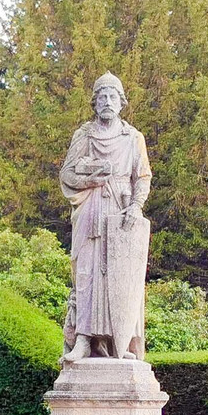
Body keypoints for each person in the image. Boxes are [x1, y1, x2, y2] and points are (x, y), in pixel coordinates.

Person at [59, 72, 153, 362]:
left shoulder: (133, 138)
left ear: (122, 102)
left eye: (113, 96)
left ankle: (119, 343)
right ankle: (84, 341)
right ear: (94, 102)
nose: (107, 102)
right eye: (102, 97)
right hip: (90, 212)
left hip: (121, 211)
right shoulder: (84, 135)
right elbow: (67, 174)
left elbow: (143, 177)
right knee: (86, 273)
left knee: (119, 276)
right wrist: (93, 175)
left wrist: (136, 206)